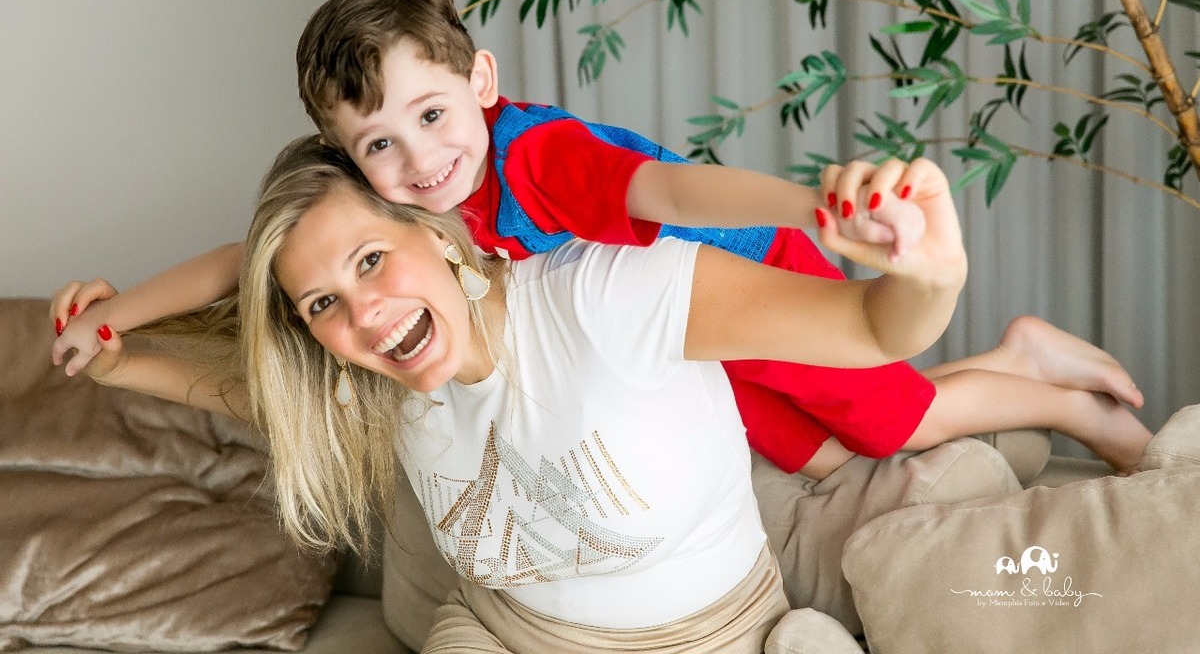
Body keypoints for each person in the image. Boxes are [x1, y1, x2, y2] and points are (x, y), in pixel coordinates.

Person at [50, 0, 1151, 478]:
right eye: (378, 143)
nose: (419, 161)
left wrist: (807, 206)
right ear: (349, 155)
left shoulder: (538, 160)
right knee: (820, 458)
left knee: (895, 424)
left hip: (744, 279)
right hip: (672, 341)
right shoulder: (400, 202)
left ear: (482, 81)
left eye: (431, 116)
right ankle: (1016, 354)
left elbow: (673, 190)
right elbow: (247, 258)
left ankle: (1062, 399)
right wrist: (116, 319)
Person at [56, 138, 1150, 653]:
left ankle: (1024, 407)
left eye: (373, 262)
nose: (364, 315)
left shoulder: (604, 295)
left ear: (439, 235)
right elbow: (246, 392)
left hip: (712, 632)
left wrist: (931, 274)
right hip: (499, 630)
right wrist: (114, 358)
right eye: (323, 304)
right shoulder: (366, 374)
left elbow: (871, 329)